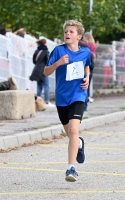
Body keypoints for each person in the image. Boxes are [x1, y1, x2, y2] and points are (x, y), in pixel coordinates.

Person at [43, 20, 90, 182]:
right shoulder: (58, 51)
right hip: (62, 98)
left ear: (79, 36)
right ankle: (79, 144)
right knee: (70, 134)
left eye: (71, 32)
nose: (67, 34)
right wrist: (58, 63)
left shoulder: (85, 52)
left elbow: (87, 65)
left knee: (74, 131)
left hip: (78, 95)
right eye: (66, 32)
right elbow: (45, 72)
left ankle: (71, 169)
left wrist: (88, 78)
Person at [30, 38, 55, 107]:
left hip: (37, 70)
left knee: (39, 86)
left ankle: (37, 102)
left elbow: (34, 61)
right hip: (44, 70)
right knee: (47, 86)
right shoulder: (46, 51)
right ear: (44, 43)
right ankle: (47, 102)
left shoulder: (36, 51)